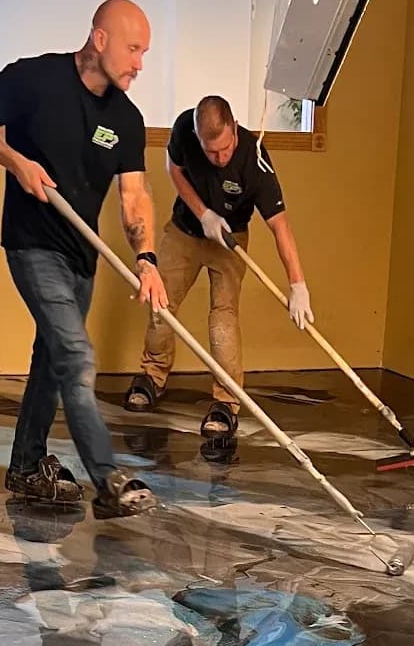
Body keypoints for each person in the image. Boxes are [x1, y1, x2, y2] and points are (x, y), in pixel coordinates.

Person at [0, 0, 169, 519]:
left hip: (81, 256)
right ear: (99, 39)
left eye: (145, 52)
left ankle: (26, 467)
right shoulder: (35, 80)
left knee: (51, 362)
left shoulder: (126, 118)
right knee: (76, 356)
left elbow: (134, 197)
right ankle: (108, 479)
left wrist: (147, 258)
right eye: (133, 48)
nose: (140, 63)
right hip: (32, 244)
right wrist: (15, 160)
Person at [126, 95, 312, 460]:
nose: (220, 158)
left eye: (225, 149)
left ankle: (226, 403)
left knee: (222, 321)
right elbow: (173, 169)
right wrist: (203, 213)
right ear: (197, 136)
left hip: (231, 240)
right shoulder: (183, 128)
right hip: (184, 230)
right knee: (159, 303)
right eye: (211, 153)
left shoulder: (255, 160)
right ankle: (152, 376)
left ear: (235, 128)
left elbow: (281, 228)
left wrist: (297, 284)